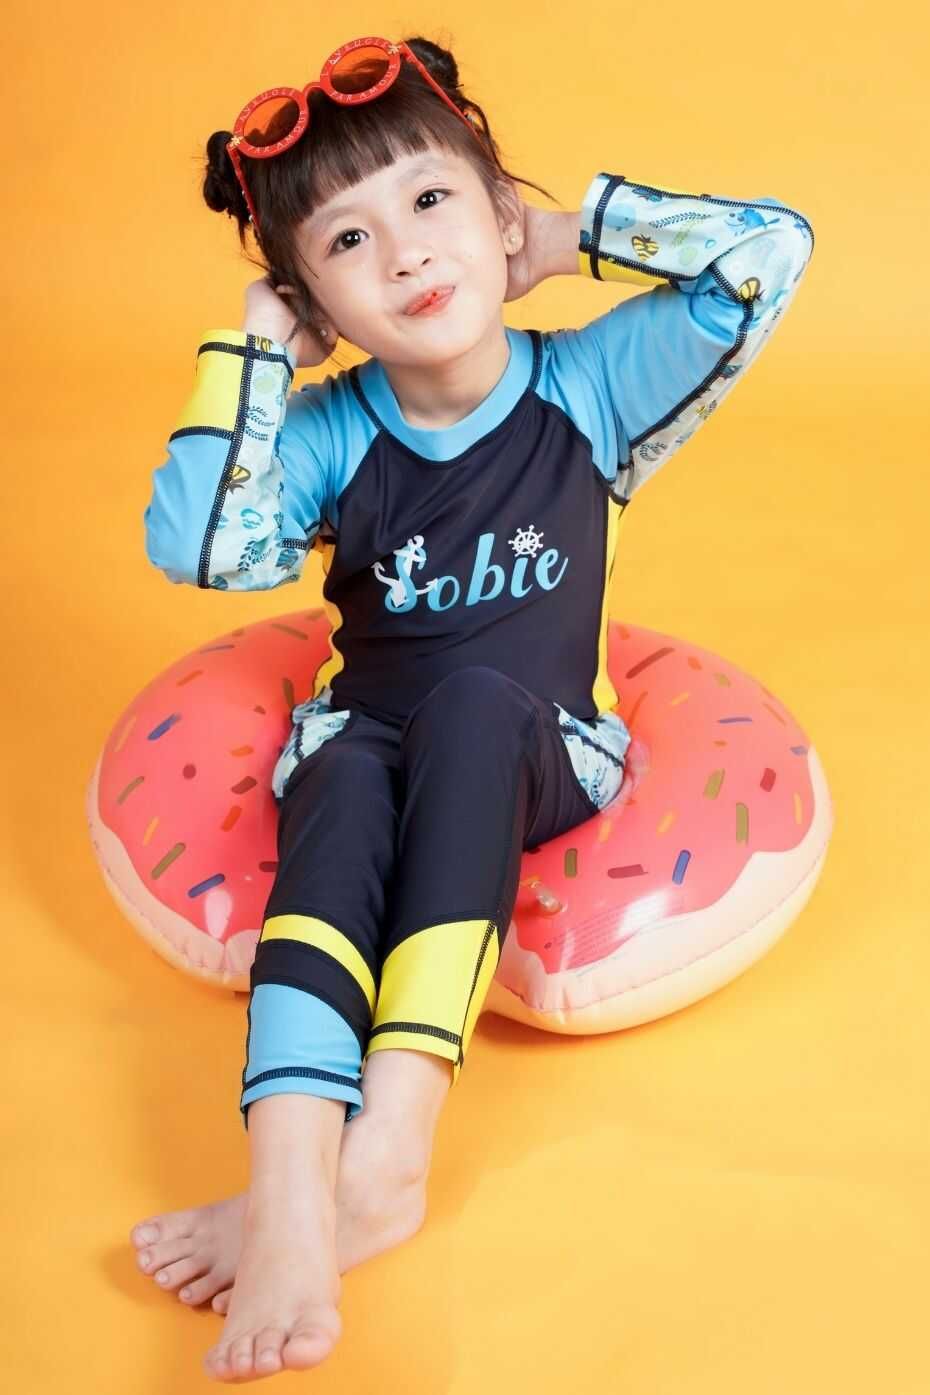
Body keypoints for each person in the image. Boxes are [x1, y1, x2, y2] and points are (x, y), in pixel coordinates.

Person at [130, 32, 814, 1383]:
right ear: (316, 300)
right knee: (338, 776)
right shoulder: (334, 431)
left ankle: (388, 1149)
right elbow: (200, 548)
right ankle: (288, 1191)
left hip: (541, 743)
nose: (404, 255)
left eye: (432, 201)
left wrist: (561, 234)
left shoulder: (589, 389)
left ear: (493, 214)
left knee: (473, 706)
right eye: (347, 241)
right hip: (373, 738)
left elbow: (768, 255)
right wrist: (253, 351)